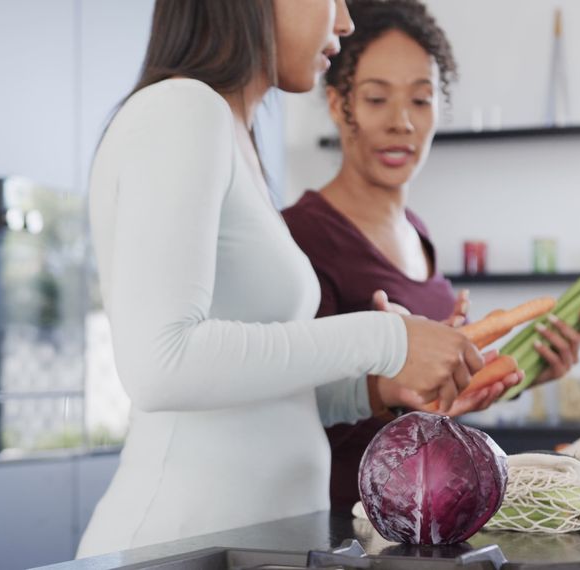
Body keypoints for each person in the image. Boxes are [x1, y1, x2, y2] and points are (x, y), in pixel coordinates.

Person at [77, 0, 488, 558]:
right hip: (177, 548)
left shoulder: (232, 135)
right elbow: (161, 365)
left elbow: (252, 398)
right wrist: (386, 338)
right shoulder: (182, 109)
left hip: (249, 548)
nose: (343, 21)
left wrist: (372, 388)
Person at [282, 0, 580, 514]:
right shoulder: (301, 234)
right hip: (336, 524)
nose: (402, 123)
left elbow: (435, 408)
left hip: (428, 522)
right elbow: (286, 403)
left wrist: (517, 373)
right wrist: (392, 382)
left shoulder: (418, 235)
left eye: (421, 101)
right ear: (340, 106)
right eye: (378, 98)